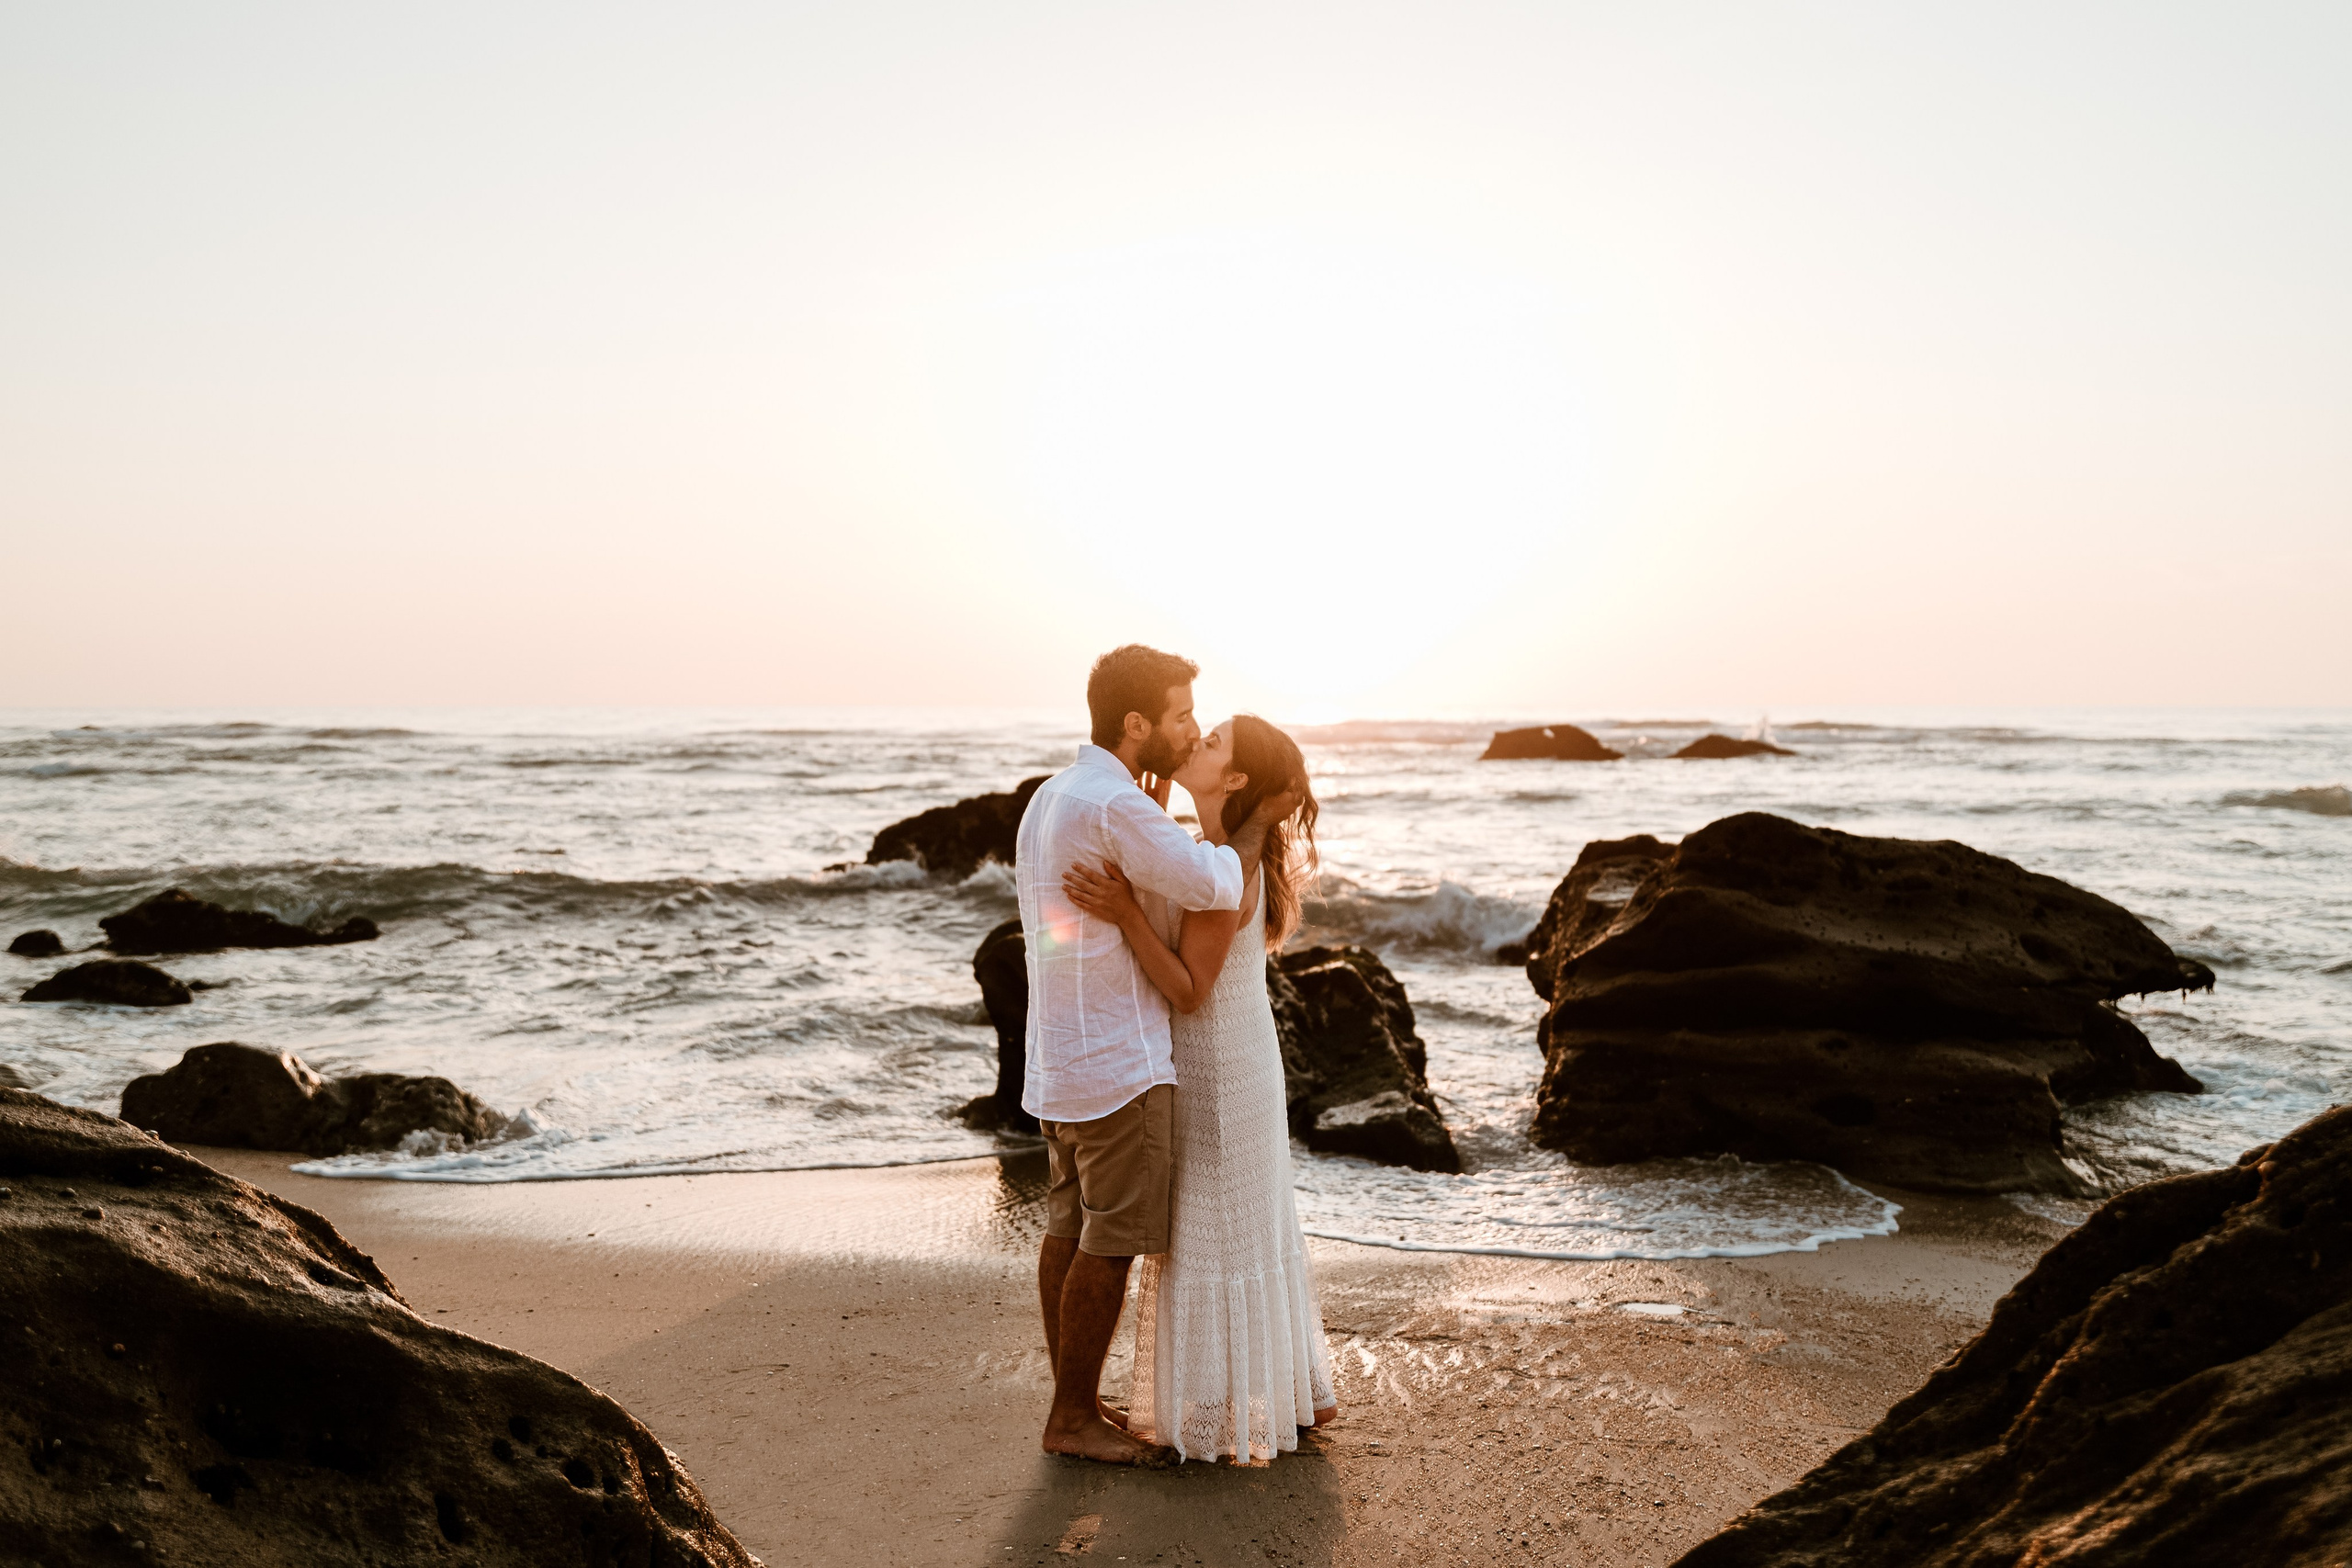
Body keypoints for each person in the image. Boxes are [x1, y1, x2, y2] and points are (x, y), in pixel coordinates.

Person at [1017, 644, 1296, 1466]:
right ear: (1136, 723)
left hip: (1059, 1063)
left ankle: (1074, 1399)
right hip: (1121, 1065)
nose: (1192, 727)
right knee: (1112, 1238)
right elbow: (1214, 882)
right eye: (1180, 716)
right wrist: (1251, 828)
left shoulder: (1051, 796)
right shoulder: (1119, 807)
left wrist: (1166, 802)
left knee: (1069, 1228)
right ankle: (1072, 1414)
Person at [1062, 713, 1339, 1462]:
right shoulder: (1214, 854)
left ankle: (1222, 1411)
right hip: (1238, 1054)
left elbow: (1187, 989)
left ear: (1237, 779)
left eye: (1211, 742)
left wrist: (1122, 910)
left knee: (1210, 1230)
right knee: (1242, 1226)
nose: (1196, 742)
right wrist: (1148, 822)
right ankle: (1286, 1392)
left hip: (1218, 1068)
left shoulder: (1226, 863)